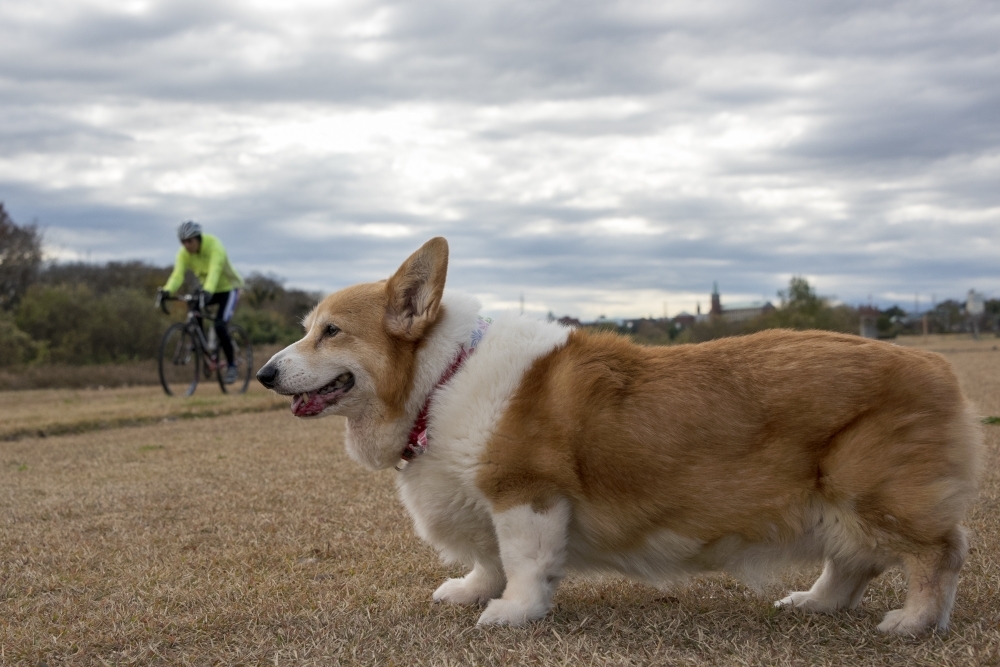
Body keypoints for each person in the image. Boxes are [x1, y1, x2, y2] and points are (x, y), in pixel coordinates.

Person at [161, 221, 245, 383]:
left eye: (190, 241)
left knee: (220, 325)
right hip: (208, 289)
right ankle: (202, 344)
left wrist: (208, 291)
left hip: (229, 289)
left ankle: (232, 365)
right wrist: (167, 291)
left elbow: (215, 271)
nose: (186, 245)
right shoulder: (183, 254)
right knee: (193, 306)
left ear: (198, 239)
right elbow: (177, 275)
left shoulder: (214, 246)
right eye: (183, 242)